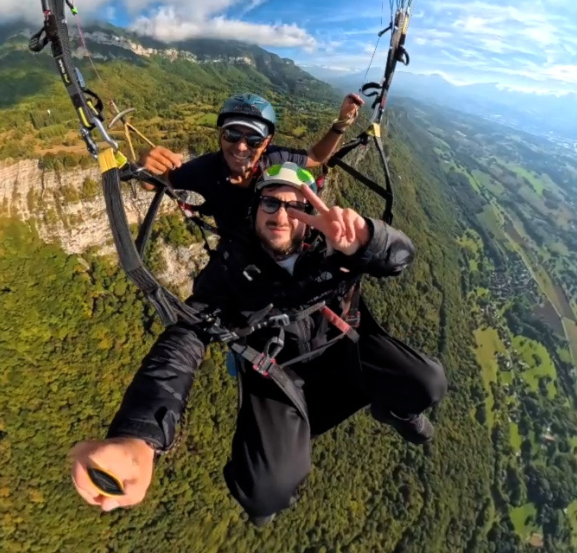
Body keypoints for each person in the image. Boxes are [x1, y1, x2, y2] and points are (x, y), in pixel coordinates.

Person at [69, 163, 447, 525]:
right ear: (256, 209)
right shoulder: (231, 268)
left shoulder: (335, 246)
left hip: (345, 352)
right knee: (263, 494)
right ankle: (264, 494)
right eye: (271, 203)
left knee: (427, 383)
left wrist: (368, 238)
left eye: (295, 206)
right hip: (278, 379)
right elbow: (184, 339)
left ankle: (397, 411)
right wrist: (140, 434)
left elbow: (399, 257)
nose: (281, 215)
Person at [141, 92, 366, 245]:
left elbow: (316, 156)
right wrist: (148, 165)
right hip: (237, 250)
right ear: (221, 136)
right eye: (232, 134)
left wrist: (340, 125)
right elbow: (157, 183)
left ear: (267, 142)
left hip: (278, 243)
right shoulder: (203, 170)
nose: (241, 146)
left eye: (254, 140)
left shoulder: (274, 159)